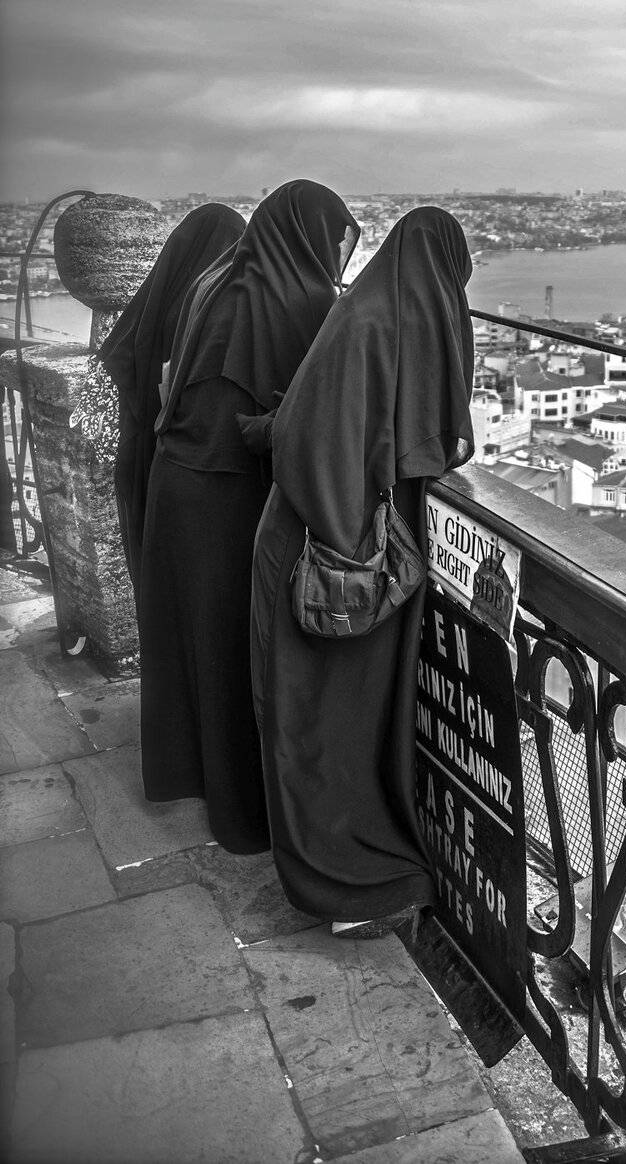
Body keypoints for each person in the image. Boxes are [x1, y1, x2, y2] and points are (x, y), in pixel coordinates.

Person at [251, 206, 474, 933]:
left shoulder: (375, 316)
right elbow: (314, 439)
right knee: (319, 727)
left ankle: (353, 870)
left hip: (344, 543)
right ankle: (341, 884)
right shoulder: (376, 329)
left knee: (331, 724)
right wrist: (350, 546)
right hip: (334, 552)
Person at [138, 180, 359, 855]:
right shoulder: (305, 301)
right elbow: (310, 415)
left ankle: (190, 774)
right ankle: (242, 810)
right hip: (229, 499)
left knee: (190, 643)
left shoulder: (215, 285)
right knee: (237, 648)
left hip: (175, 484)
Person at [97, 202, 245, 593]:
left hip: (143, 453)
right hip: (184, 459)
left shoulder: (159, 299)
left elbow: (123, 356)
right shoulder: (210, 305)